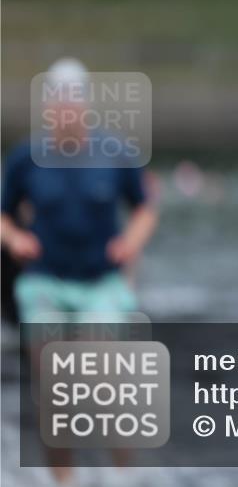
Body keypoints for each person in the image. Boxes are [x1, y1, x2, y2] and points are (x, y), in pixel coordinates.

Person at [0, 58, 158, 486]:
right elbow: (3, 214)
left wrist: (131, 242)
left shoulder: (115, 153)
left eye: (72, 100)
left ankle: (124, 476)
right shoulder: (25, 158)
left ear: (86, 104)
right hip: (44, 281)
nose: (65, 109)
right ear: (47, 107)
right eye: (57, 100)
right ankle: (64, 479)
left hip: (100, 282)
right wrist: (14, 239)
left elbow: (145, 208)